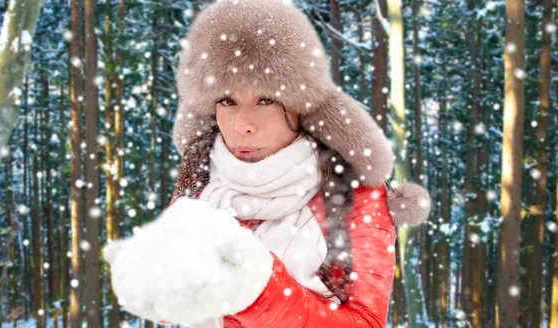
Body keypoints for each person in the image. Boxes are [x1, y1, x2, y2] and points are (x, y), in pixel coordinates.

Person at [105, 0, 431, 327]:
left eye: (265, 100)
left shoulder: (354, 194)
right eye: (227, 101)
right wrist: (147, 280)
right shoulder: (202, 178)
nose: (242, 124)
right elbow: (175, 308)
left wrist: (257, 289)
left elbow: (365, 322)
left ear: (300, 105)